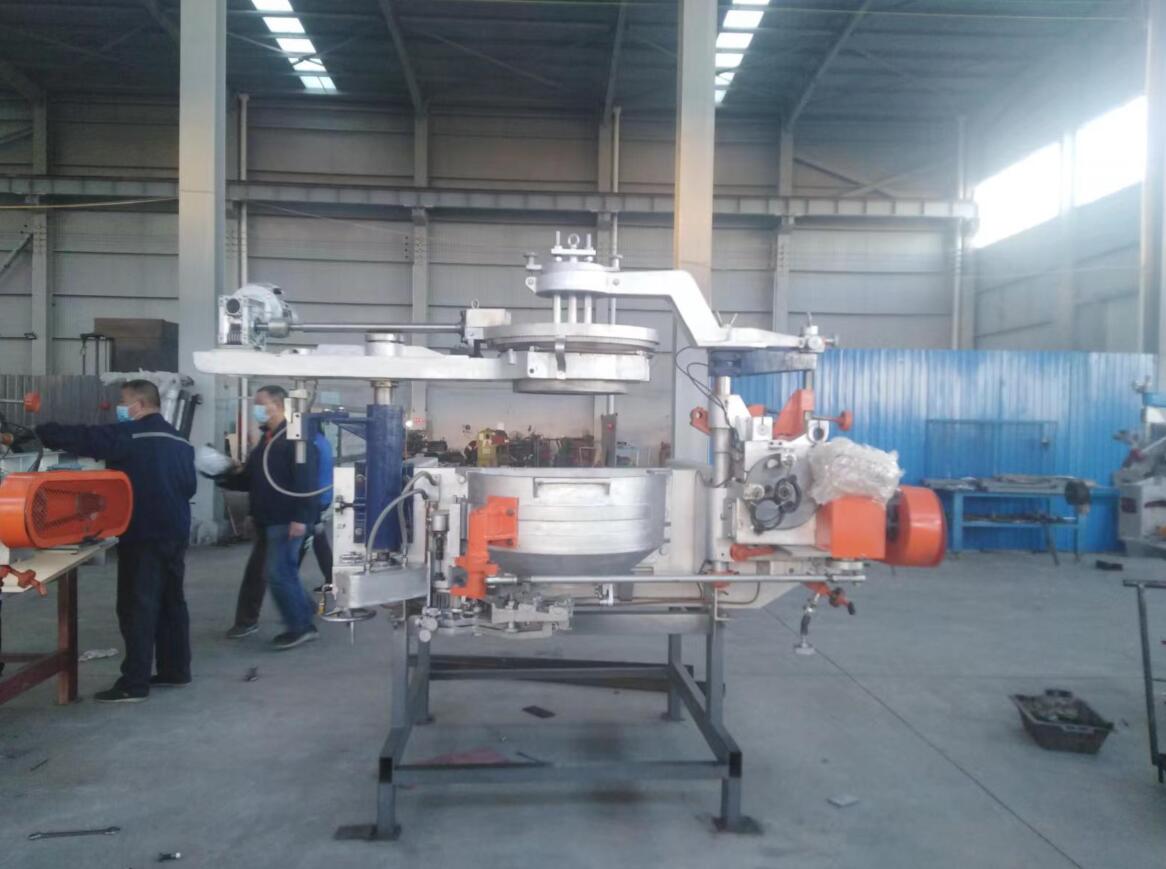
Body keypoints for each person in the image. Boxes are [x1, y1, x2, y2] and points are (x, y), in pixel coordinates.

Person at [35, 380, 196, 703]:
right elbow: (189, 487)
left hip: (142, 532)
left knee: (137, 606)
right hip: (176, 532)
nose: (120, 409)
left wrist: (41, 430)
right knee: (171, 602)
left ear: (139, 404)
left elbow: (84, 437)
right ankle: (175, 670)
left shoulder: (129, 436)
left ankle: (134, 684)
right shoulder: (180, 440)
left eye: (123, 403)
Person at [220, 386, 319, 650]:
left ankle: (301, 626)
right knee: (280, 572)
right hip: (267, 518)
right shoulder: (267, 441)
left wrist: (301, 517)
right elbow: (252, 479)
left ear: (278, 405)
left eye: (260, 403)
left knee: (278, 573)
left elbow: (306, 481)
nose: (257, 409)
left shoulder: (294, 439)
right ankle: (303, 614)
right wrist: (222, 474)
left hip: (286, 519)